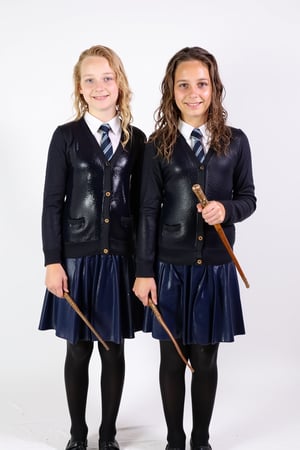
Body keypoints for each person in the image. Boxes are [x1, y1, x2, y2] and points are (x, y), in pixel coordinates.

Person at [133, 46, 256, 450]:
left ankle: (201, 441)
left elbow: (248, 198)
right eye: (183, 84)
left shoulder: (236, 142)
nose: (193, 93)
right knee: (172, 359)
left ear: (214, 88)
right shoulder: (158, 145)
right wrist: (144, 271)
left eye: (201, 84)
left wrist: (228, 209)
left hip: (216, 269)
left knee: (205, 359)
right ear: (171, 90)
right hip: (168, 269)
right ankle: (174, 441)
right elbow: (148, 211)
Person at [39, 45, 145, 450]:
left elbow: (141, 205)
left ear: (119, 83)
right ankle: (78, 434)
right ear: (79, 88)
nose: (99, 86)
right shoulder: (65, 136)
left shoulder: (137, 141)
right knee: (78, 348)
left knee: (113, 349)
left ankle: (109, 435)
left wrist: (143, 265)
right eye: (90, 79)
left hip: (119, 260)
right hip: (76, 261)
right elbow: (52, 203)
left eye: (107, 78)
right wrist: (53, 261)